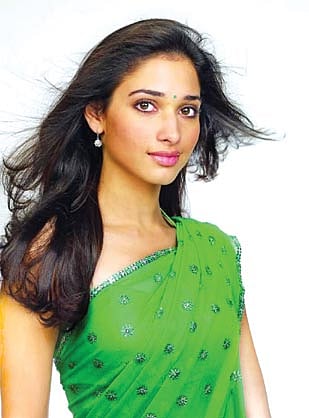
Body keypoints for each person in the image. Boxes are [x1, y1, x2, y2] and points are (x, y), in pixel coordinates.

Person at [0, 18, 271, 418]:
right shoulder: (48, 255)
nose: (172, 131)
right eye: (146, 105)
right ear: (97, 114)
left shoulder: (215, 251)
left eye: (187, 110)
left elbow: (255, 406)